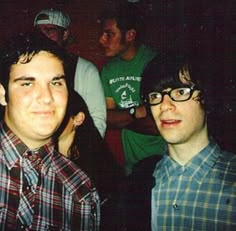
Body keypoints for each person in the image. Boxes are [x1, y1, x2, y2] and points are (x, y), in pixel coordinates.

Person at [0, 32, 100, 230]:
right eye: (27, 83)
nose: (46, 97)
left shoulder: (81, 190)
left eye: (56, 83)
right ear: (3, 95)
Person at [141, 51, 236, 230]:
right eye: (155, 95)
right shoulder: (137, 185)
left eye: (180, 91)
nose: (164, 105)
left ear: (207, 96)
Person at [99, 3, 165, 174]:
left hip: (167, 159)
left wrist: (124, 119)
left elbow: (158, 126)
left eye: (109, 34)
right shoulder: (109, 69)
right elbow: (106, 118)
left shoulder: (156, 62)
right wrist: (136, 113)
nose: (102, 40)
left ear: (130, 35)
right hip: (132, 166)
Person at [54, 89, 124, 231]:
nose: (51, 119)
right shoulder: (40, 157)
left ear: (78, 118)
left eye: (58, 113)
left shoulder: (97, 165)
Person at [34, 8, 106, 138]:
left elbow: (97, 121)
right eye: (39, 31)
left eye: (50, 30)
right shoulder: (26, 68)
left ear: (65, 34)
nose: (43, 36)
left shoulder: (84, 70)